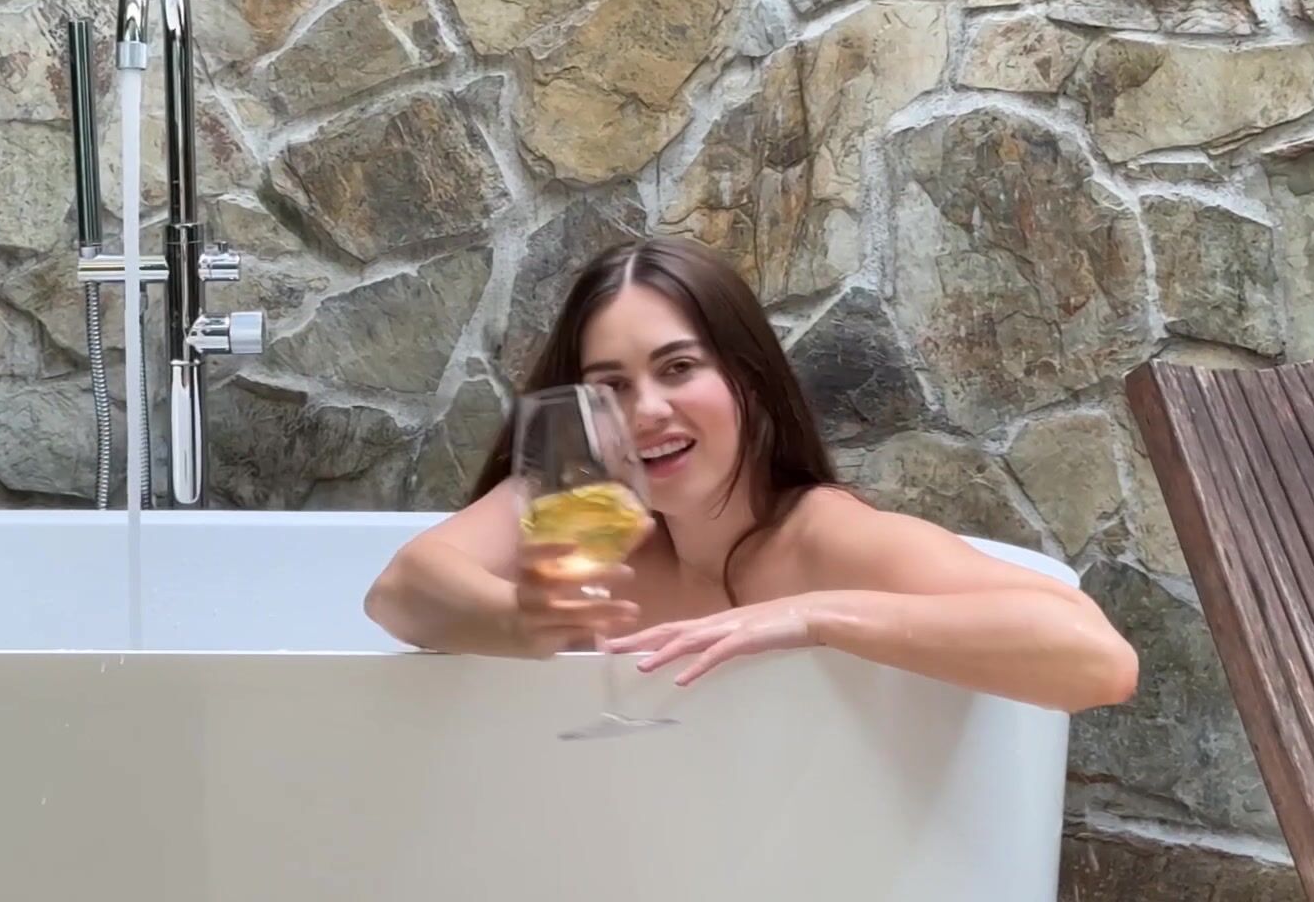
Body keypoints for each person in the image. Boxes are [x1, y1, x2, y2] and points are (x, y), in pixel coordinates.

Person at [363, 236, 1138, 714]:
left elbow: (1097, 660)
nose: (646, 411)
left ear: (749, 381)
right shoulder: (591, 515)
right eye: (612, 386)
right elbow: (399, 592)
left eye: (678, 368)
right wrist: (518, 618)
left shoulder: (820, 539)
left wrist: (814, 617)